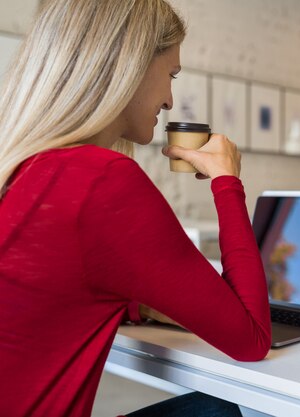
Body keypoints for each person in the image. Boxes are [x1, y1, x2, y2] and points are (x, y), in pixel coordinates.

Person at [0, 1, 270, 416]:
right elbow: (251, 339)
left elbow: (46, 291)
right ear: (131, 66)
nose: (169, 100)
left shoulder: (24, 167)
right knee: (241, 409)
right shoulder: (102, 180)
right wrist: (227, 183)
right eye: (170, 75)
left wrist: (135, 307)